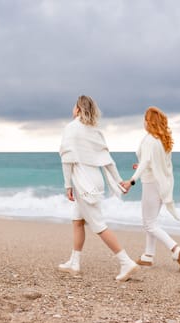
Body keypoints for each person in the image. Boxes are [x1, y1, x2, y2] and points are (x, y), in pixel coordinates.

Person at [58, 95, 139, 282]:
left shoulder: (71, 129)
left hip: (82, 181)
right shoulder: (94, 131)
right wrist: (118, 180)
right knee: (77, 220)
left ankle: (126, 262)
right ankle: (74, 263)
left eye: (74, 106)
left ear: (78, 109)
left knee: (98, 225)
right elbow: (108, 160)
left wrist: (68, 185)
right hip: (95, 178)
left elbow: (67, 159)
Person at [121, 106, 180, 272]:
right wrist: (142, 167)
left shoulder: (149, 139)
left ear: (149, 122)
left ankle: (177, 251)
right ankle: (148, 256)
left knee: (149, 223)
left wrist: (131, 180)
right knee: (151, 221)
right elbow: (156, 164)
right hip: (162, 184)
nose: (143, 122)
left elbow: (145, 162)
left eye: (145, 118)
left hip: (151, 184)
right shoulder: (162, 140)